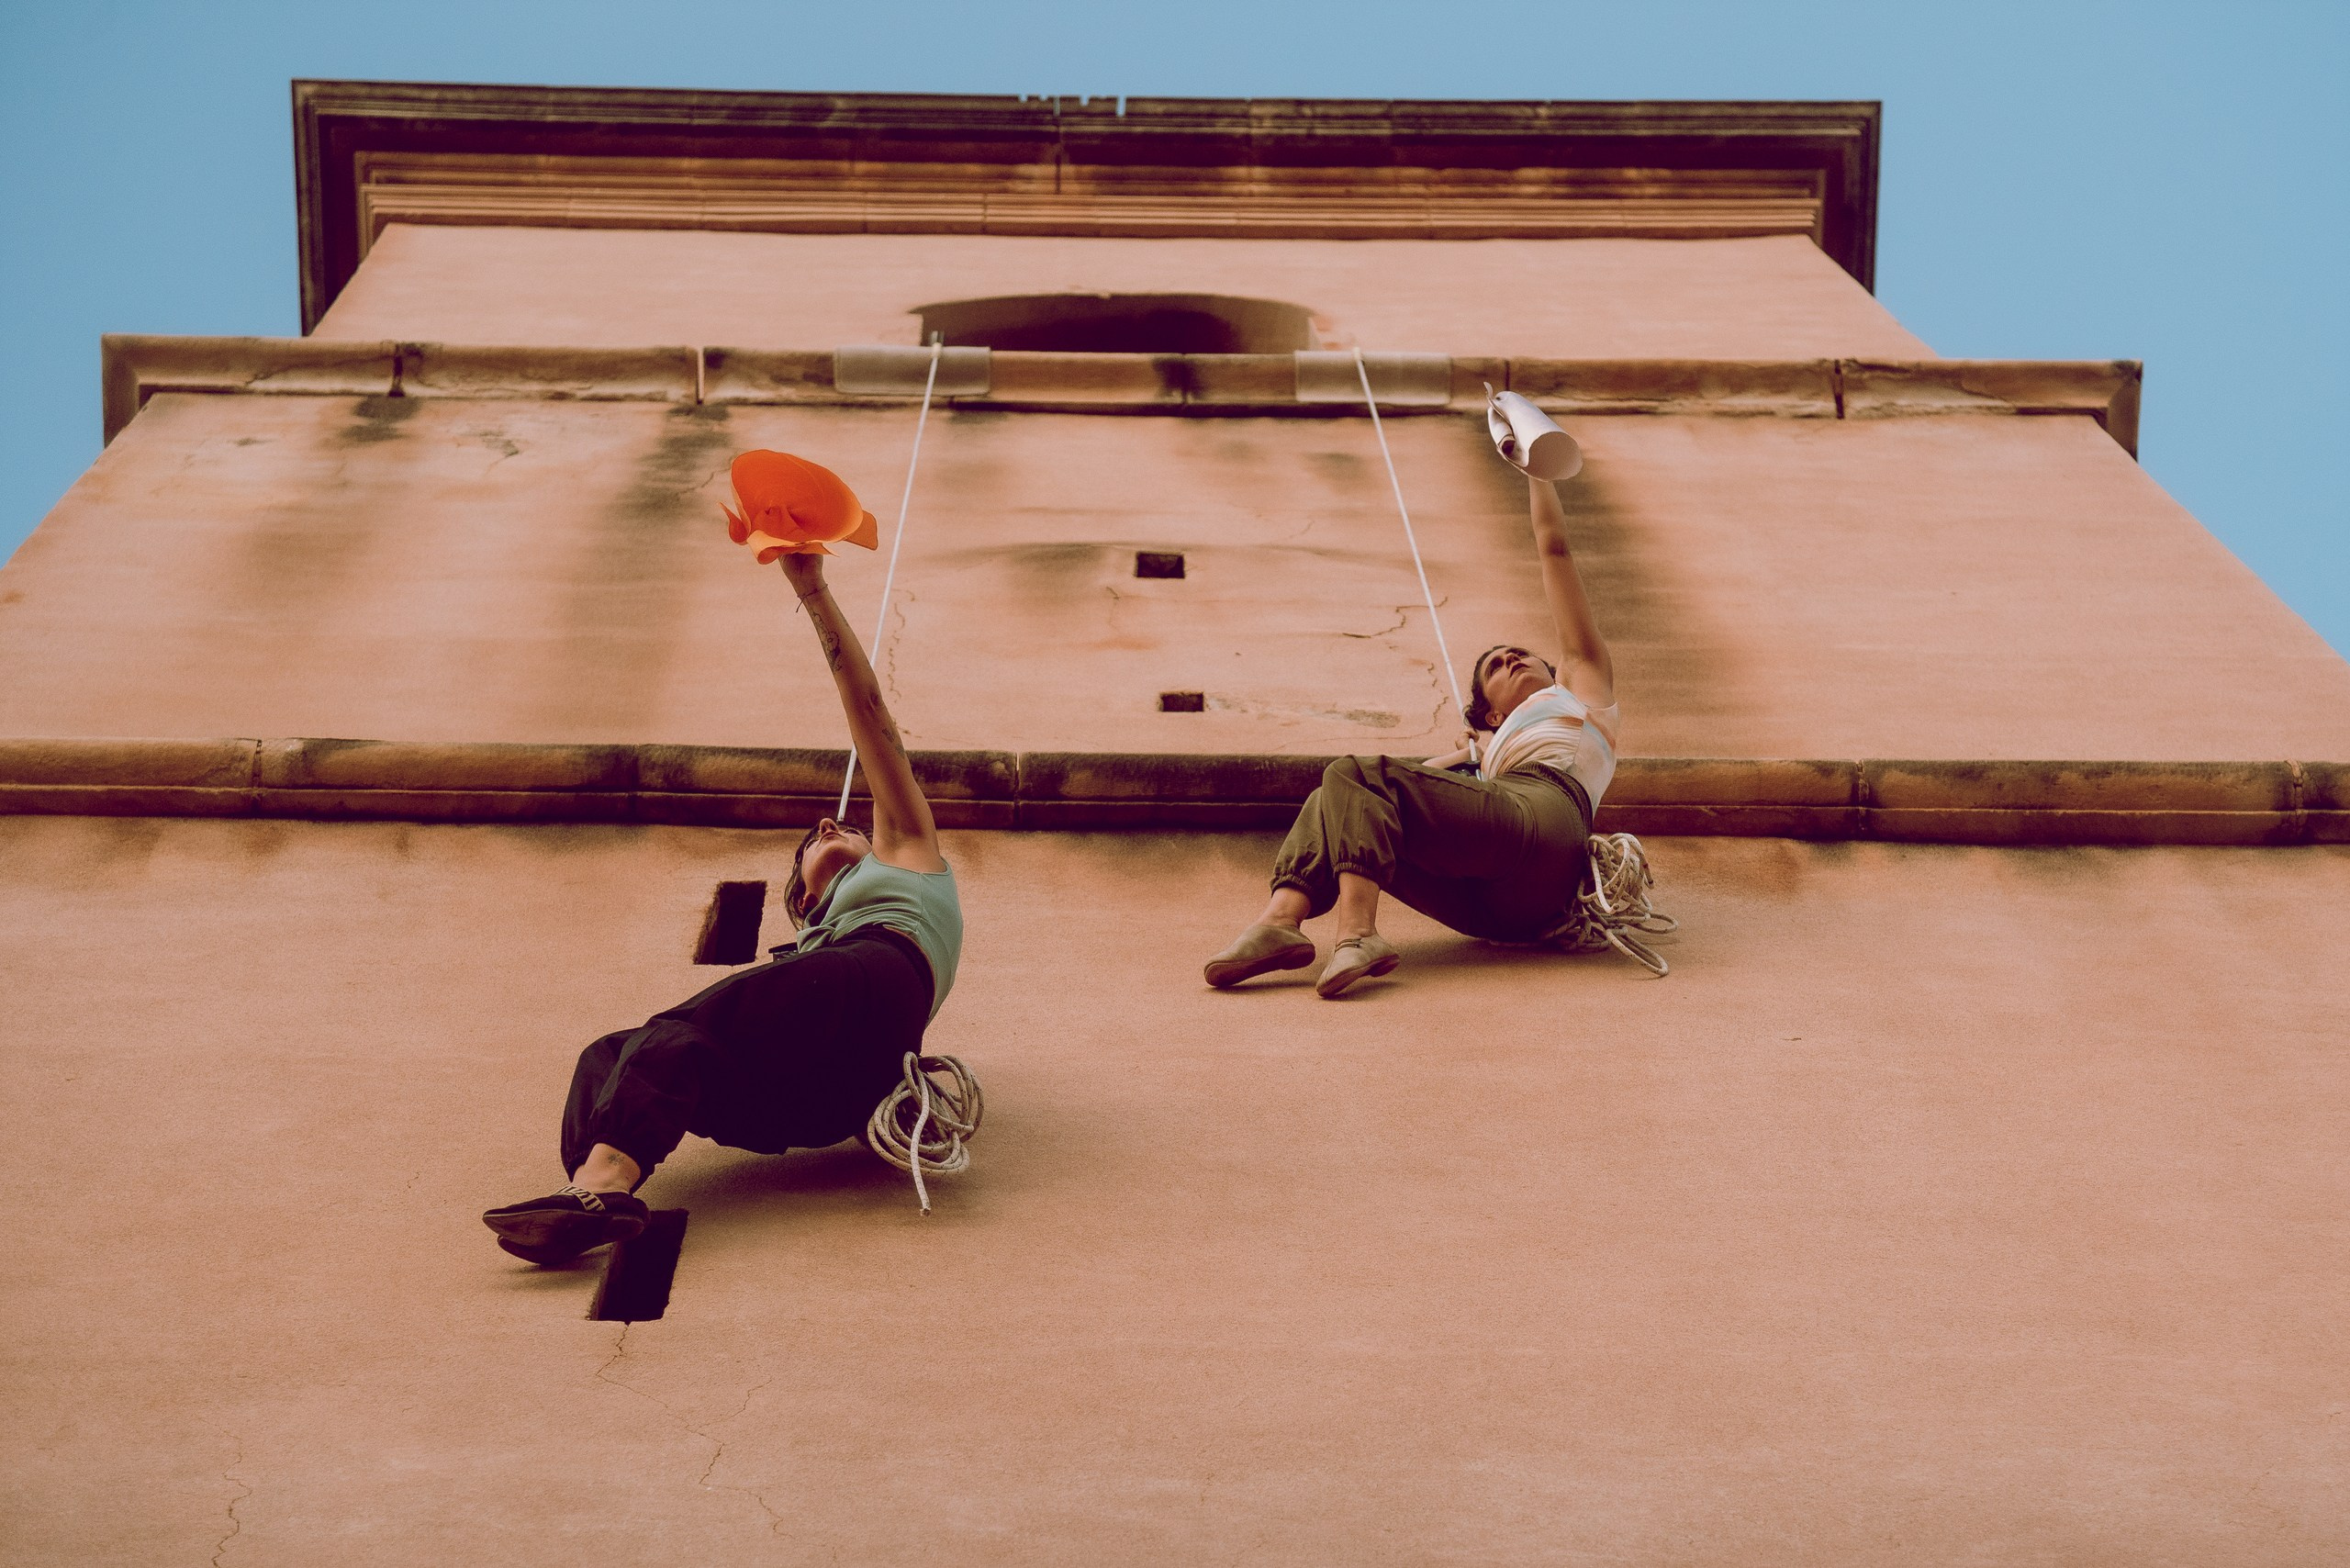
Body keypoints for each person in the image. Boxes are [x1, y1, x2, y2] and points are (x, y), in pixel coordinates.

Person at [484, 549, 962, 1264]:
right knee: (616, 1055)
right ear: (804, 902)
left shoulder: (907, 858)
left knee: (677, 1029)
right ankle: (592, 1194)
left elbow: (870, 712)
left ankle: (606, 1181)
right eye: (812, 841)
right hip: (819, 1103)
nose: (830, 828)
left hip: (881, 985)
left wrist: (812, 588)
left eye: (844, 828)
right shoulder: (807, 952)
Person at [1203, 466, 1618, 999]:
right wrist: (1467, 754)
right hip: (1501, 914)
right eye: (1495, 666)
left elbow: (1554, 549)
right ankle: (1281, 921)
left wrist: (1536, 469)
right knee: (1334, 799)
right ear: (1490, 716)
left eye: (1519, 654)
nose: (1511, 657)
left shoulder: (1579, 687)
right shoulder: (1495, 749)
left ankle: (1357, 933)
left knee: (1351, 774)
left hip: (1548, 826)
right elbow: (1374, 800)